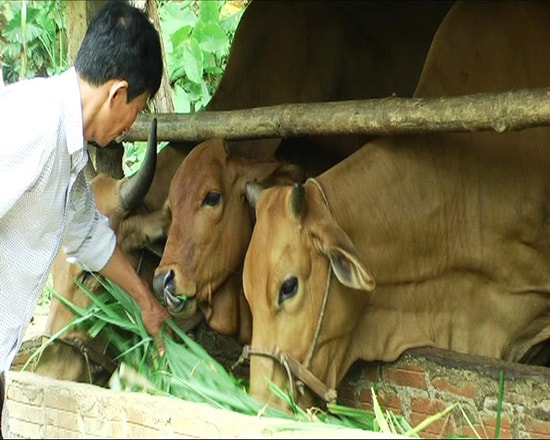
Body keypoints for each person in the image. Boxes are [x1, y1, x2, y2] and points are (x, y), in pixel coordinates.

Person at [0, 1, 171, 437]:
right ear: (117, 94)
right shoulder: (34, 125)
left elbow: (89, 237)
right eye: (139, 108)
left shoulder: (67, 150)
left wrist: (145, 302)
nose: (132, 124)